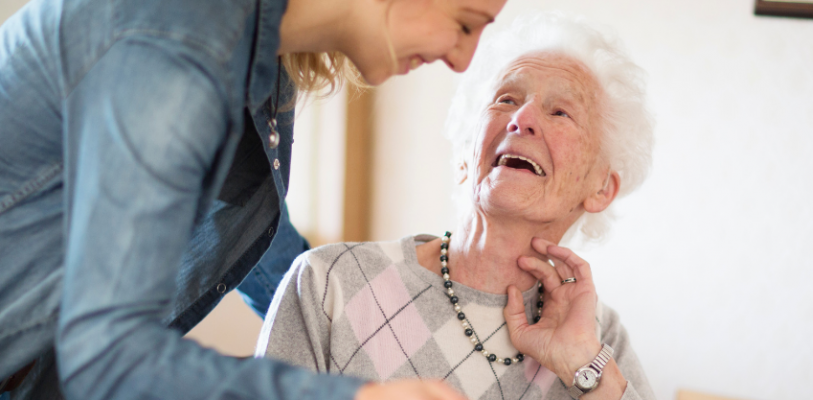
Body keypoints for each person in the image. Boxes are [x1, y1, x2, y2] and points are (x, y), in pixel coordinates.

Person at [0, 0, 507, 398]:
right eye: (464, 24)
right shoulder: (175, 45)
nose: (462, 60)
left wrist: (346, 341)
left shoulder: (258, 76)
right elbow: (104, 354)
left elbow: (252, 232)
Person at [256, 12, 656, 400]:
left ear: (602, 188)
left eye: (560, 112)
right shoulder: (329, 281)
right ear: (466, 154)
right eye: (506, 99)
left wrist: (583, 366)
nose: (522, 118)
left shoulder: (601, 338)